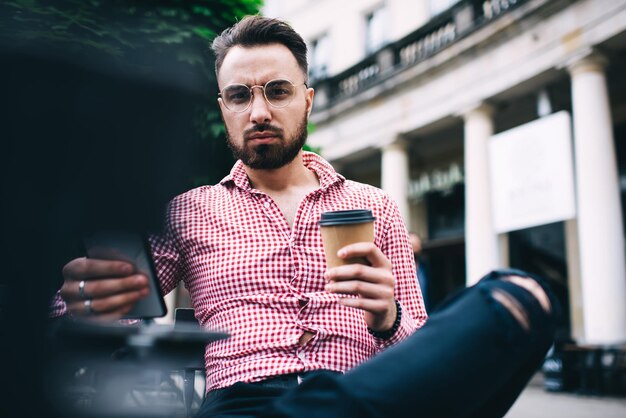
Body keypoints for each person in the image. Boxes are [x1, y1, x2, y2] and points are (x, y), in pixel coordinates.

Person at [51, 15, 428, 416]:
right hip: (242, 402)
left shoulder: (374, 206)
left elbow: (424, 355)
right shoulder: (189, 212)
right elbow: (93, 317)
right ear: (223, 107)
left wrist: (389, 317)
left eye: (278, 91)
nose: (259, 112)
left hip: (351, 396)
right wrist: (88, 307)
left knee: (497, 294)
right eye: (239, 96)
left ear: (308, 99)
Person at [409, 232, 429, 312]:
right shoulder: (400, 271)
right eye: (412, 246)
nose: (415, 250)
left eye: (417, 246)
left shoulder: (425, 267)